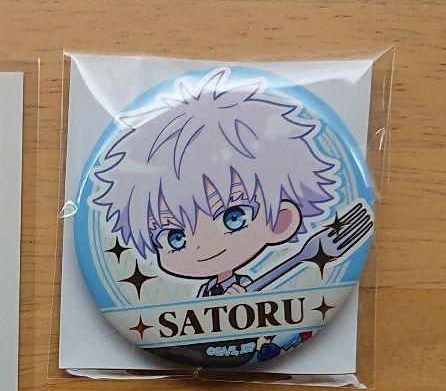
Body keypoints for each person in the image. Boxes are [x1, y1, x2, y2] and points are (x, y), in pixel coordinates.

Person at [92, 67, 338, 298]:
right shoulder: (207, 289)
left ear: (282, 221)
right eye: (174, 237)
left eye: (233, 217)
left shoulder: (241, 285)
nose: (202, 247)